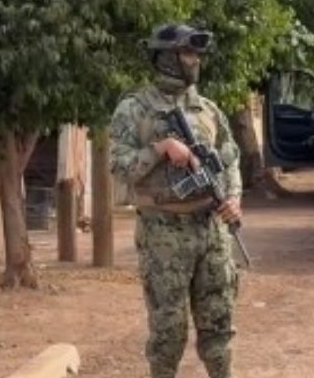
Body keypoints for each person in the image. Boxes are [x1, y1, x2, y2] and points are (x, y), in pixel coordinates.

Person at [109, 24, 243, 378]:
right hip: (163, 230)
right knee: (168, 330)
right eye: (188, 53)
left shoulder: (208, 109)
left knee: (219, 323)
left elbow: (230, 158)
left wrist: (232, 198)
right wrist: (161, 148)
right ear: (167, 57)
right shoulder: (134, 110)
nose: (195, 61)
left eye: (197, 54)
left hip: (211, 230)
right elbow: (119, 166)